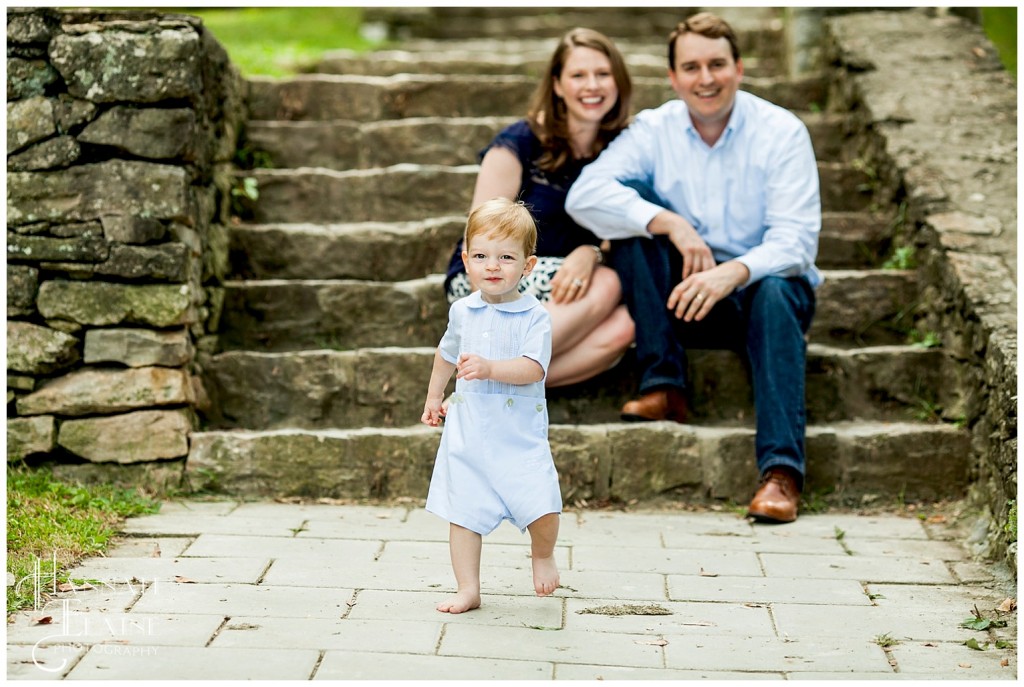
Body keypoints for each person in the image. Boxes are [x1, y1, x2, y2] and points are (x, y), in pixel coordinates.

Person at [565, 12, 821, 523]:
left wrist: (734, 272)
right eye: (692, 67)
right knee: (633, 214)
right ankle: (663, 384)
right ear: (673, 77)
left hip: (760, 295)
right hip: (683, 296)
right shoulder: (653, 129)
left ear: (739, 68)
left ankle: (781, 474)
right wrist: (672, 224)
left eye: (717, 64)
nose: (706, 78)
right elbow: (584, 195)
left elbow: (795, 242)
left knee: (775, 291)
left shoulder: (781, 132)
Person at [443, 27, 635, 387]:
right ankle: (495, 368)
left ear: (618, 82)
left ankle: (492, 382)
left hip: (571, 285)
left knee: (626, 325)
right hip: (494, 273)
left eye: (602, 74)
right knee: (609, 283)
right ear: (558, 85)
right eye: (578, 75)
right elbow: (482, 233)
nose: (592, 85)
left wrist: (589, 252)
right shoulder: (520, 142)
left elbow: (627, 229)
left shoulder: (625, 150)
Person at [423, 197, 563, 614]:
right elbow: (446, 354)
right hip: (469, 429)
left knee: (541, 503)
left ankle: (542, 553)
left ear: (528, 266)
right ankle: (468, 587)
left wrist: (489, 368)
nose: (493, 266)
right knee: (462, 511)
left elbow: (532, 368)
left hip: (518, 431)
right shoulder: (462, 311)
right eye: (482, 256)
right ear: (466, 260)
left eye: (506, 257)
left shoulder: (534, 316)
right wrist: (434, 395)